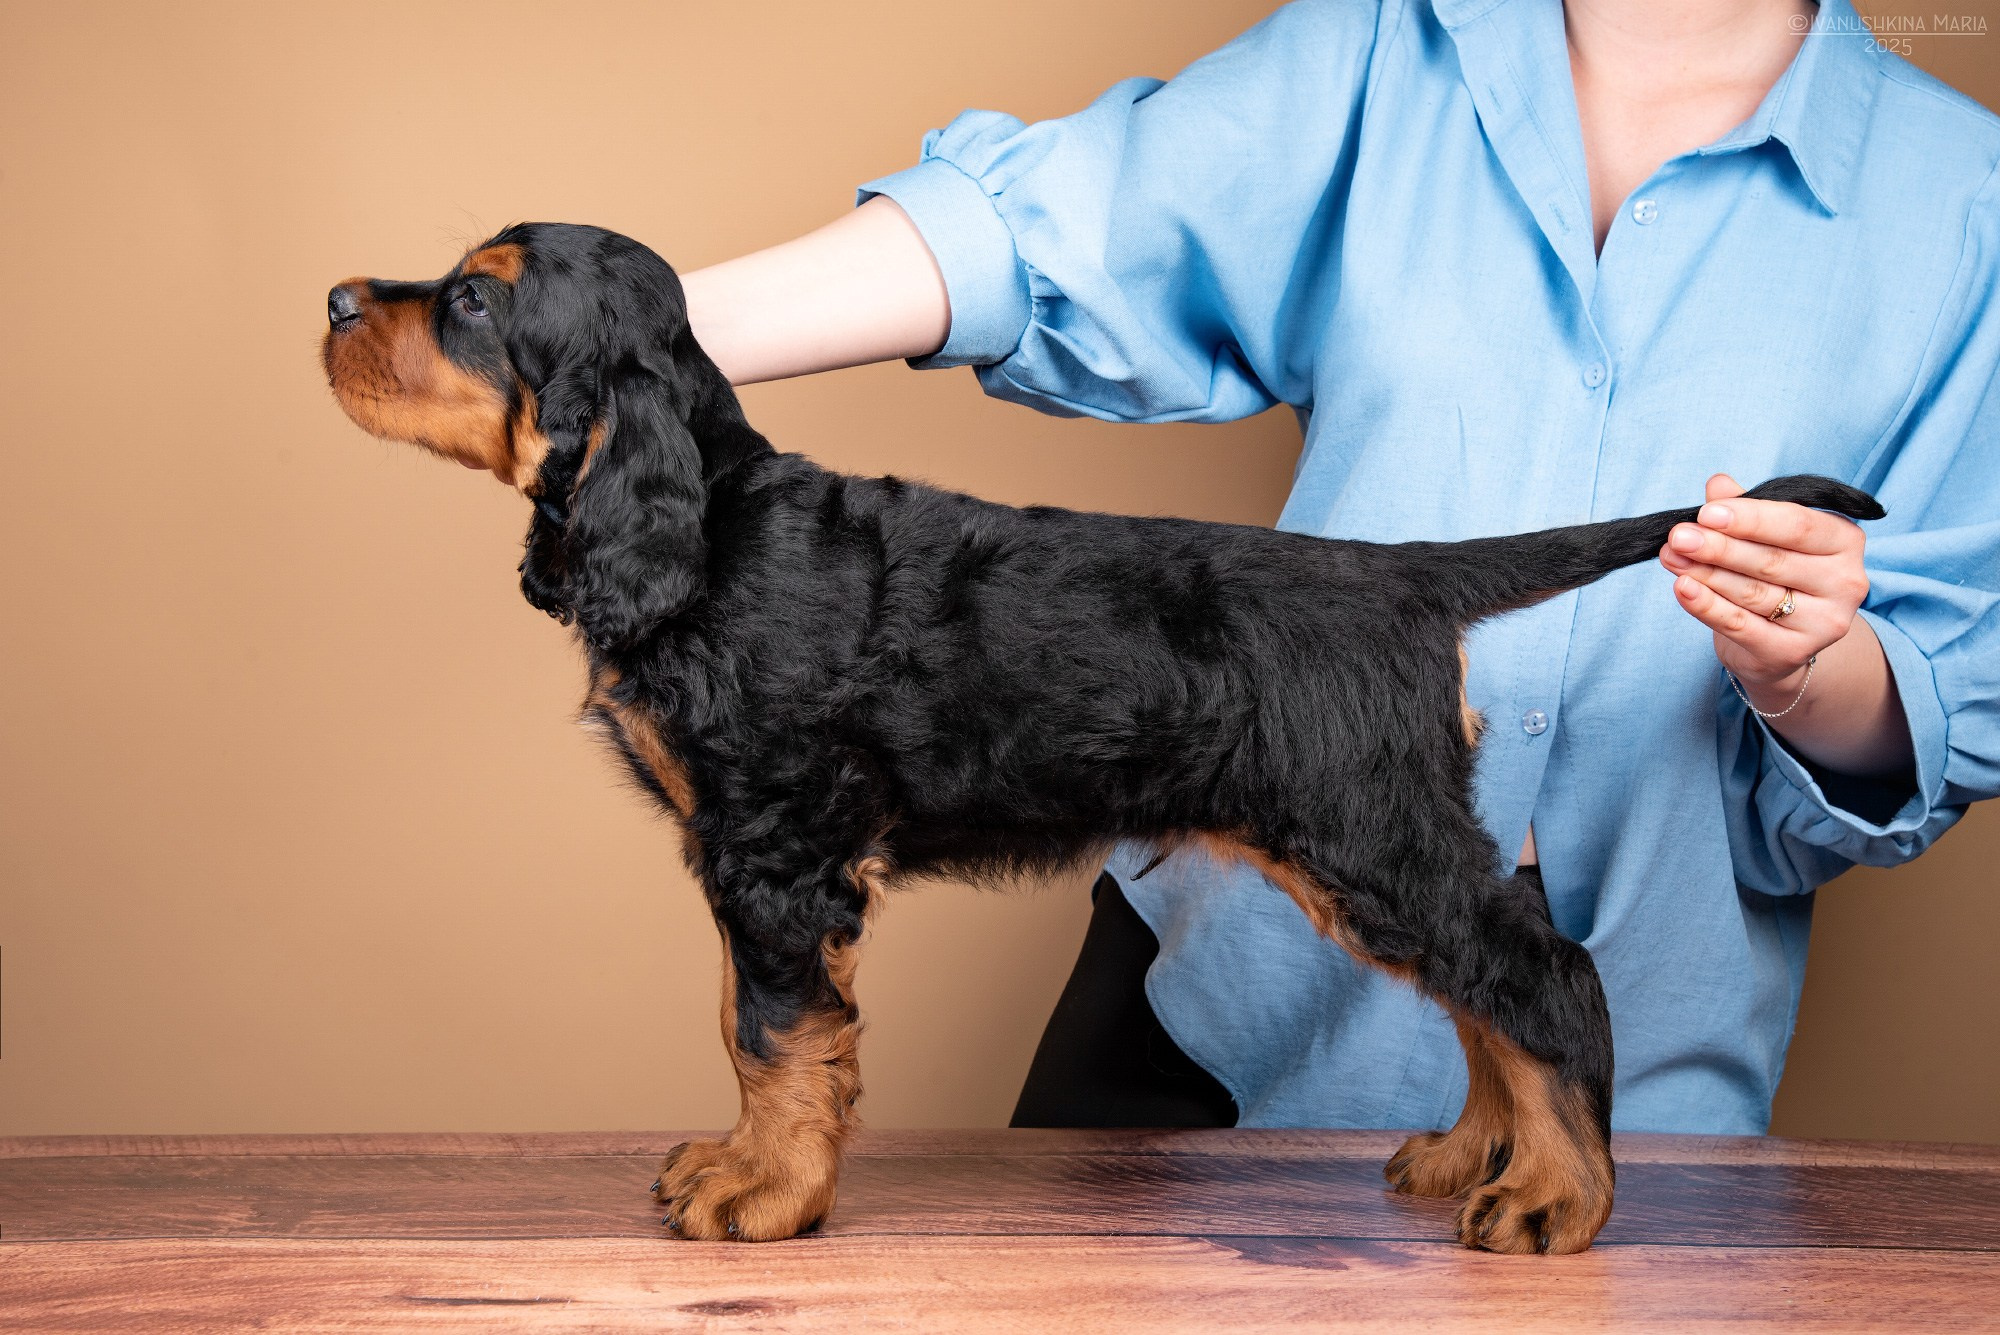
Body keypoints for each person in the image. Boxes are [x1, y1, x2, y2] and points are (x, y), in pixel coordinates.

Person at [678, 0, 2000, 1134]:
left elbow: (1944, 695)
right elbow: (1062, 227)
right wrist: (633, 334)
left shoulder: (1964, 197)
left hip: (1642, 1087)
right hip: (1205, 1024)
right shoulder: (1377, 48)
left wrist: (1814, 667)